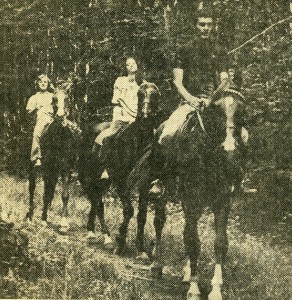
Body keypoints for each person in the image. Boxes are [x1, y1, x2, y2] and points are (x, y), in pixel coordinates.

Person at [149, 7, 240, 194]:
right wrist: (191, 99)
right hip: (189, 103)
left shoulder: (220, 50)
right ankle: (162, 179)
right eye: (202, 24)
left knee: (242, 132)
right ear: (195, 25)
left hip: (214, 101)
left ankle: (238, 178)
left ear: (213, 26)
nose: (206, 28)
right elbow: (177, 82)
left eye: (209, 25)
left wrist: (211, 99)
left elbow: (224, 81)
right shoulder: (184, 49)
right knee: (166, 132)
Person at [94, 57, 141, 178]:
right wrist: (127, 110)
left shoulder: (140, 84)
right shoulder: (120, 81)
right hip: (122, 114)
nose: (131, 66)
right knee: (110, 135)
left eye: (133, 63)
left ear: (137, 65)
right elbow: (116, 100)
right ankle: (105, 168)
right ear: (125, 67)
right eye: (128, 64)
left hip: (137, 116)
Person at [26, 74, 54, 166]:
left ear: (48, 84)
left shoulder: (52, 96)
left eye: (45, 82)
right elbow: (29, 112)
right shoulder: (34, 97)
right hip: (41, 119)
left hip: (53, 119)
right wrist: (36, 108)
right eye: (40, 82)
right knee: (36, 134)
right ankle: (37, 157)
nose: (43, 83)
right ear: (37, 83)